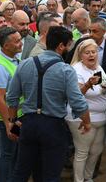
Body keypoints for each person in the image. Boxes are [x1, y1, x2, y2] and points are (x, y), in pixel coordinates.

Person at [7, 26, 91, 181]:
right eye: (68, 45)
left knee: (21, 171)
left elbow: (12, 97)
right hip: (53, 126)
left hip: (28, 123)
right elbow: (78, 102)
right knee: (51, 175)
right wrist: (86, 122)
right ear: (60, 46)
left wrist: (12, 121)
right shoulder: (66, 70)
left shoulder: (25, 64)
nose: (69, 49)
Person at [67, 39, 106, 182]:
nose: (91, 55)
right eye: (87, 53)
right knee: (82, 152)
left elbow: (105, 86)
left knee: (96, 151)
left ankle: (88, 178)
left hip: (100, 118)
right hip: (83, 118)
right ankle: (78, 180)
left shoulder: (98, 67)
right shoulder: (76, 69)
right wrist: (87, 84)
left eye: (94, 52)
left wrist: (105, 87)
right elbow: (76, 94)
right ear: (81, 55)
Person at [0, 27, 22, 182]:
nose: (21, 43)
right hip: (9, 118)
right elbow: (0, 98)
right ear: (6, 46)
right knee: (8, 152)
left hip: (16, 116)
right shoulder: (0, 67)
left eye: (20, 39)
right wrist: (9, 123)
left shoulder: (14, 57)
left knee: (14, 151)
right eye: (16, 41)